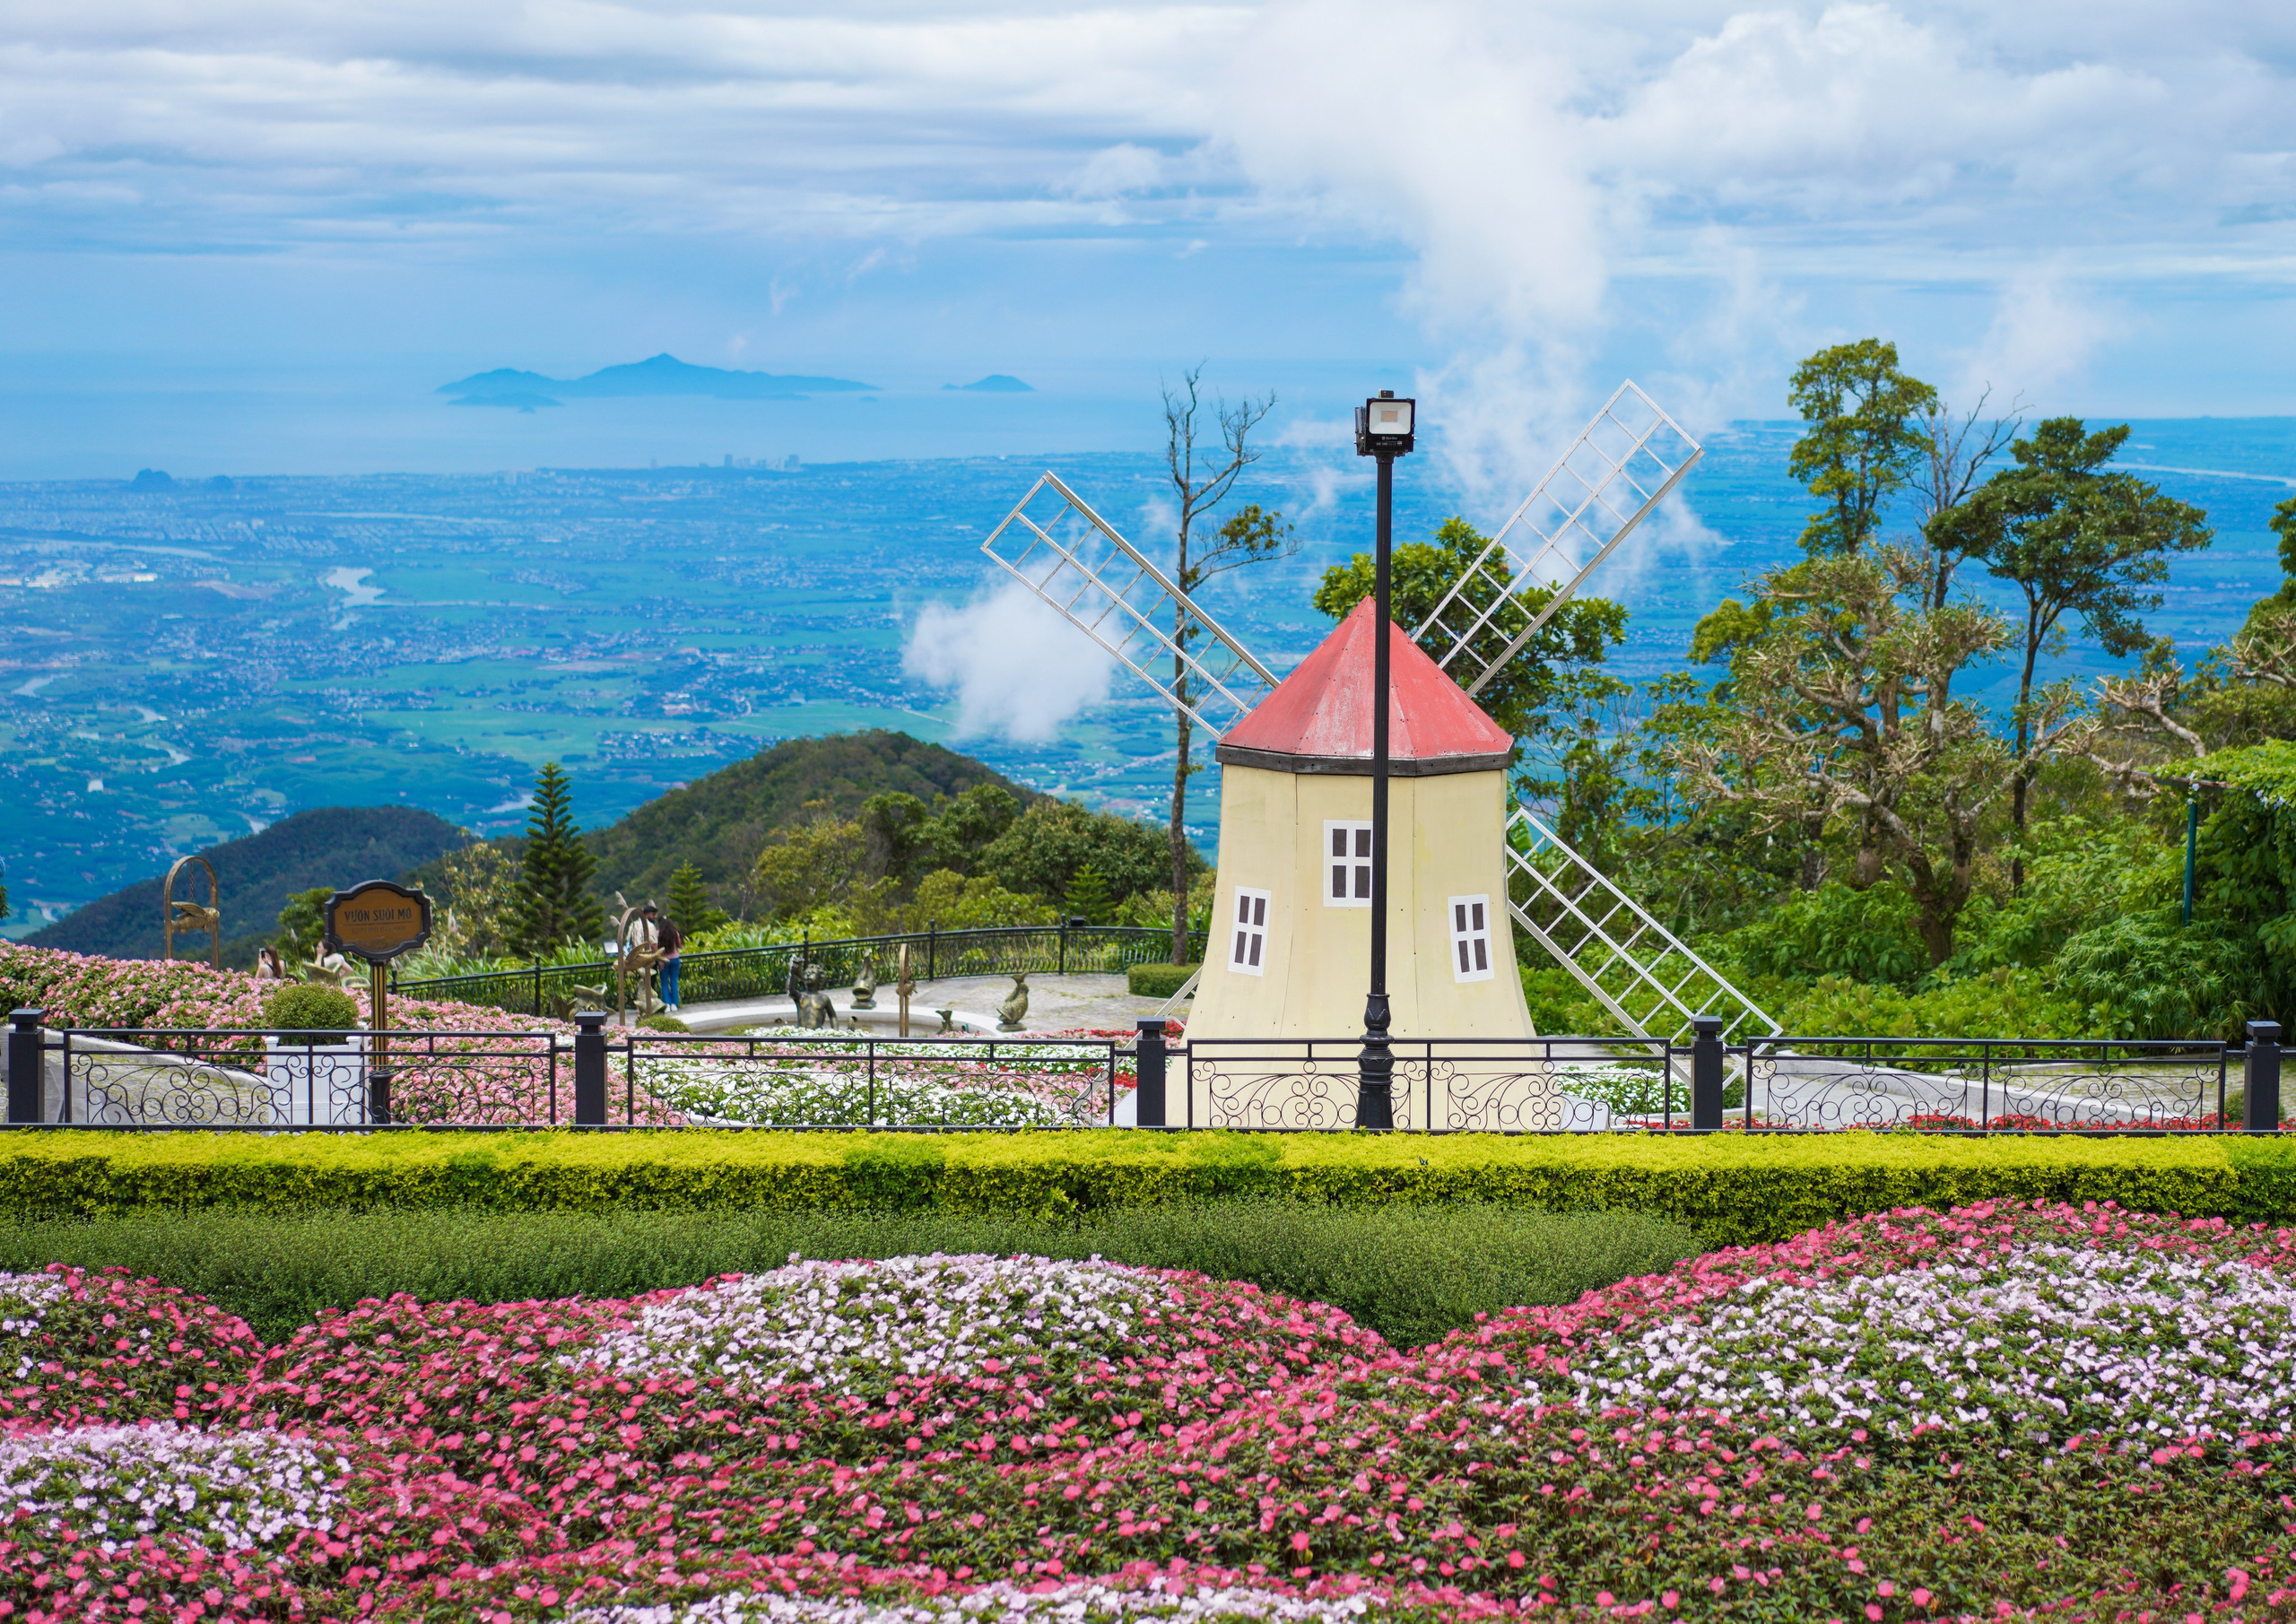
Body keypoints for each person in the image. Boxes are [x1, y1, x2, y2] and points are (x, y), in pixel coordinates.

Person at [654, 907, 683, 1011]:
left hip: (663, 960)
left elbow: (656, 947)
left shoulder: (658, 934)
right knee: (674, 981)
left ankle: (667, 1004)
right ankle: (675, 1004)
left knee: (664, 982)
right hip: (675, 959)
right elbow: (680, 945)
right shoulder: (675, 933)